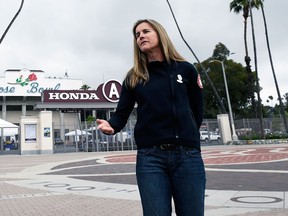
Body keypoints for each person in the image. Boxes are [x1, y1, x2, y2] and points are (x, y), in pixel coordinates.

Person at [97, 19, 206, 216]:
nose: (141, 37)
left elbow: (197, 110)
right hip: (150, 159)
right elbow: (122, 113)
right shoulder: (134, 76)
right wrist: (111, 126)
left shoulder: (186, 69)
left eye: (145, 31)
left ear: (160, 34)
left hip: (188, 156)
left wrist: (187, 134)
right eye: (137, 35)